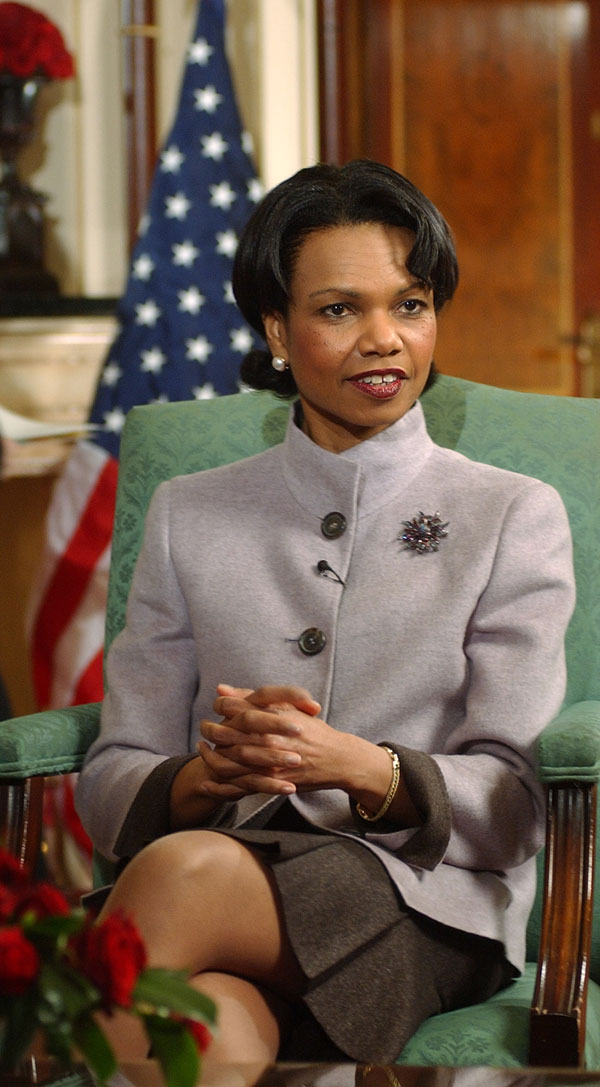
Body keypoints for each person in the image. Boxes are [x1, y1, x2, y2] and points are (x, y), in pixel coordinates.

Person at [75, 160, 575, 1065]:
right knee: (200, 1030)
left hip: (421, 898)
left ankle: (52, 990)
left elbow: (516, 805)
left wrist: (361, 766)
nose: (383, 339)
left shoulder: (513, 513)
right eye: (340, 309)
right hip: (224, 879)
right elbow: (113, 778)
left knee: (180, 879)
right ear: (277, 328)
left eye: (410, 304)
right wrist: (209, 773)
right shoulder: (190, 510)